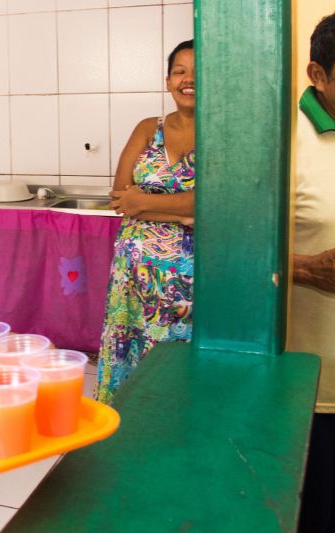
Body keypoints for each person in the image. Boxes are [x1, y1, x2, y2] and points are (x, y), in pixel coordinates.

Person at [95, 40, 196, 404]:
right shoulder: (147, 128)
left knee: (180, 370)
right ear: (168, 79)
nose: (189, 79)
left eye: (199, 72)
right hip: (133, 280)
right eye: (180, 71)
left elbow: (219, 204)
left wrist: (145, 202)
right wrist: (182, 211)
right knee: (132, 363)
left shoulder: (225, 134)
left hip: (191, 284)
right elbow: (121, 198)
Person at [289, 10, 335, 533]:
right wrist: (304, 267)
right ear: (317, 75)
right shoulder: (284, 145)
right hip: (316, 394)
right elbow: (223, 247)